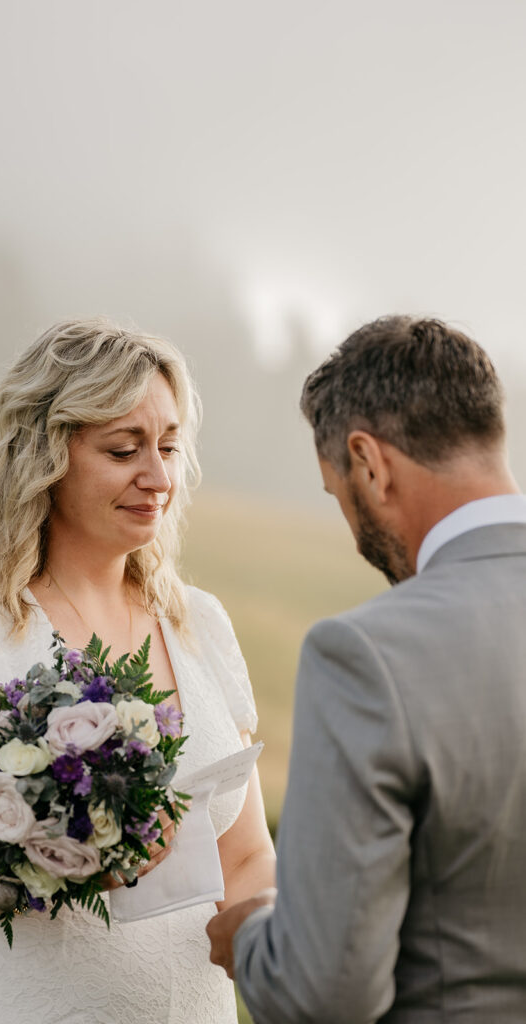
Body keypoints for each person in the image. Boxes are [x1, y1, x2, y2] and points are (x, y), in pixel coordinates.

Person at [0, 319, 275, 1024]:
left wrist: (290, 950)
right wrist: (31, 860)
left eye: (168, 446)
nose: (160, 476)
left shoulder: (202, 624)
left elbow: (248, 857)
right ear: (45, 454)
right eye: (123, 449)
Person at [207, 315, 526, 1022]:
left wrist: (254, 937)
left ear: (369, 463)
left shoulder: (369, 655)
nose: (352, 533)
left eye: (337, 495)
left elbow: (327, 993)